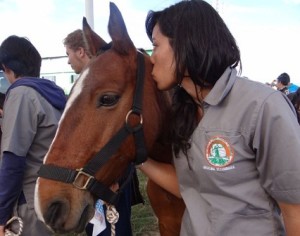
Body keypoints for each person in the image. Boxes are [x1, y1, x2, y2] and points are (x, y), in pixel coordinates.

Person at [137, 1, 300, 235]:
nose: (151, 58)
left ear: (186, 43)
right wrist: (138, 157)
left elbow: (295, 210)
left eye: (155, 45)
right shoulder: (184, 113)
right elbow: (191, 187)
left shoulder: (263, 106)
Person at [63, 29, 141, 236]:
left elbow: (121, 132)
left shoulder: (108, 86)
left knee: (113, 229)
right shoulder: (83, 88)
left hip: (110, 181)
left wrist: (114, 179)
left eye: (68, 54)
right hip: (90, 180)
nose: (68, 62)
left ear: (80, 51)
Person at [0, 35, 66, 236]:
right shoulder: (54, 93)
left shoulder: (21, 94)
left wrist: (2, 215)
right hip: (49, 194)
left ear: (8, 68)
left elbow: (13, 160)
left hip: (27, 202)